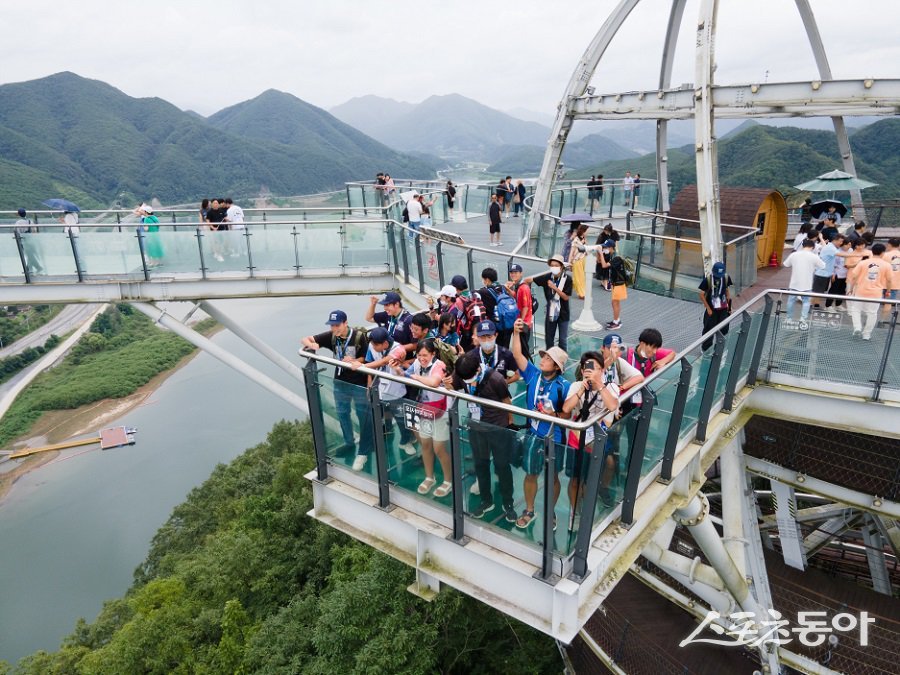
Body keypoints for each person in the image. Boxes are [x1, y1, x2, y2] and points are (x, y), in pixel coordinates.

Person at [510, 317, 571, 529]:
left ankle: (550, 511)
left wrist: (553, 414)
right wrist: (516, 333)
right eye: (543, 356)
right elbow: (517, 354)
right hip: (534, 434)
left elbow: (568, 416)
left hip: (555, 437)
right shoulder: (533, 375)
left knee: (553, 477)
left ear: (556, 366)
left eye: (547, 358)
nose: (542, 359)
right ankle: (529, 510)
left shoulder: (565, 386)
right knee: (531, 473)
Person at [300, 310, 372, 470]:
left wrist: (354, 360)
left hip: (358, 382)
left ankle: (364, 452)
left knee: (362, 415)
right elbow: (305, 338)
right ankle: (349, 442)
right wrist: (312, 345)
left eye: (337, 325)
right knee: (342, 413)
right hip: (340, 382)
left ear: (345, 323)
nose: (334, 328)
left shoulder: (359, 337)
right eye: (332, 325)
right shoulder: (332, 336)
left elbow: (367, 358)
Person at [452, 353, 516, 521]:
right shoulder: (462, 374)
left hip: (497, 427)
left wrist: (509, 423)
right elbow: (452, 386)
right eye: (465, 379)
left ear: (478, 369)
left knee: (502, 466)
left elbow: (506, 402)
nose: (468, 381)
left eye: (471, 378)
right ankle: (486, 500)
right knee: (480, 464)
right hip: (475, 427)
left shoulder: (496, 379)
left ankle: (508, 502)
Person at [562, 351, 620, 524]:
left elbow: (612, 407)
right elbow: (566, 408)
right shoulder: (576, 386)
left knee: (589, 479)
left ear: (602, 369)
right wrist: (582, 388)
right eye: (586, 366)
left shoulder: (611, 387)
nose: (589, 370)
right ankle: (575, 511)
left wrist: (599, 385)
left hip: (597, 440)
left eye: (593, 367)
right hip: (576, 439)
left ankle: (586, 509)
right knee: (575, 480)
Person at [393, 339, 453, 498]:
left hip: (441, 411)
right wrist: (398, 370)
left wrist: (415, 377)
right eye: (419, 355)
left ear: (433, 354)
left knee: (439, 448)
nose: (422, 359)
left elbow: (434, 382)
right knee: (425, 444)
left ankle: (448, 481)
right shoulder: (417, 364)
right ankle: (429, 477)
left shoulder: (439, 365)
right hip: (424, 410)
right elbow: (407, 375)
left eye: (425, 355)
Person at [360, 326, 416, 455]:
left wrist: (362, 366)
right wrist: (369, 386)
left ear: (385, 343)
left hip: (396, 392)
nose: (373, 347)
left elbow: (385, 361)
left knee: (402, 420)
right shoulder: (371, 346)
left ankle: (405, 442)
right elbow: (371, 366)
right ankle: (377, 443)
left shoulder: (399, 349)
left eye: (376, 345)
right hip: (379, 390)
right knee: (378, 417)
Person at [524, 254, 572, 351]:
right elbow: (529, 280)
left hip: (563, 313)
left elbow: (566, 297)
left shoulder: (567, 279)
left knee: (562, 340)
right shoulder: (547, 277)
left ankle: (561, 362)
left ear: (561, 267)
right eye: (552, 265)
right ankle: (550, 358)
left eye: (556, 265)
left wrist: (554, 288)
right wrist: (525, 292)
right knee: (549, 339)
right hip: (551, 311)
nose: (554, 267)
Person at [847, 243, 892, 340]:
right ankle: (866, 334)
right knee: (872, 313)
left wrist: (851, 289)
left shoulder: (863, 263)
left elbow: (854, 277)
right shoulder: (887, 265)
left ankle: (857, 327)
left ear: (872, 251)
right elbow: (889, 280)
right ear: (883, 253)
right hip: (876, 293)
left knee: (856, 309)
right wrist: (888, 291)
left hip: (860, 290)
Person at [784, 239, 825, 325]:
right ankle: (803, 319)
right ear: (813, 247)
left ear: (803, 245)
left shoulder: (794, 255)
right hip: (807, 284)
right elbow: (823, 266)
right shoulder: (814, 256)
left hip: (794, 283)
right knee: (806, 302)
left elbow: (786, 264)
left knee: (791, 301)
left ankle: (789, 318)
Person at [471, 320, 520, 385]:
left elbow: (517, 375)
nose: (486, 340)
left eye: (489, 337)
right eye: (483, 337)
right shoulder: (472, 356)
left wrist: (504, 383)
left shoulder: (506, 354)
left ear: (496, 335)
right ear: (478, 337)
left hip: (499, 393)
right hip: (478, 393)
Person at [698, 261, 733, 350]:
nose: (718, 277)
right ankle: (706, 349)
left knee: (724, 328)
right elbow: (701, 294)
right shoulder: (708, 280)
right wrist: (708, 308)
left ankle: (720, 348)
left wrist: (729, 307)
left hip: (723, 308)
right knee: (709, 329)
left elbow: (727, 290)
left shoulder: (726, 278)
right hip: (712, 309)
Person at [505, 263, 534, 358]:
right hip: (523, 322)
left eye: (516, 272)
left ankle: (525, 369)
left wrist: (520, 321)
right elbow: (517, 297)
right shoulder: (520, 286)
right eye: (512, 273)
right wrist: (508, 290)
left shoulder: (523, 288)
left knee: (523, 348)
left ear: (521, 273)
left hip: (523, 323)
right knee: (522, 346)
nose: (513, 274)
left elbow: (525, 307)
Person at [812, 234, 843, 308]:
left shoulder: (830, 246)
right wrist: (857, 254)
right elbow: (841, 254)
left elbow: (823, 244)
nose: (841, 243)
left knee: (820, 291)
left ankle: (815, 305)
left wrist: (821, 237)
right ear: (835, 240)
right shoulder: (831, 248)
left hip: (824, 273)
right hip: (821, 274)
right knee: (817, 292)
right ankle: (812, 307)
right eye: (840, 241)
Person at [605, 242, 629, 329]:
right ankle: (617, 320)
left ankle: (616, 323)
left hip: (619, 283)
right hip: (617, 283)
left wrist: (600, 253)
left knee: (615, 303)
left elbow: (604, 265)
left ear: (611, 247)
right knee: (615, 302)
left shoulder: (616, 258)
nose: (605, 249)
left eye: (606, 247)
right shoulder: (614, 255)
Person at [15, 208, 44, 275]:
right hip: (31, 241)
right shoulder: (30, 221)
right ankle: (30, 269)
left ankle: (37, 268)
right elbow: (34, 231)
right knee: (30, 255)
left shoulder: (18, 223)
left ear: (19, 214)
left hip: (24, 242)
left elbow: (17, 232)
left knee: (29, 256)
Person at [826, 236, 852, 309]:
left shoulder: (851, 251)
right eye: (846, 245)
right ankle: (828, 305)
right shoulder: (838, 251)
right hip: (837, 273)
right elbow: (833, 264)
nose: (848, 246)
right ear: (842, 245)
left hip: (846, 274)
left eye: (850, 244)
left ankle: (838, 304)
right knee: (833, 289)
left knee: (842, 290)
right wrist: (833, 274)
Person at [568, 224, 589, 300]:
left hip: (583, 260)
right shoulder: (576, 240)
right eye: (587, 231)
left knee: (580, 277)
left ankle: (567, 286)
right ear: (583, 231)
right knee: (579, 277)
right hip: (577, 260)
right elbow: (572, 252)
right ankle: (581, 294)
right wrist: (569, 262)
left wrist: (585, 242)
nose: (588, 233)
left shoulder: (584, 239)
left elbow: (587, 250)